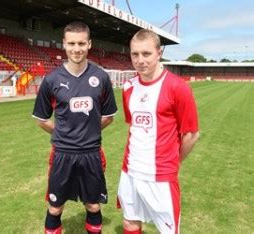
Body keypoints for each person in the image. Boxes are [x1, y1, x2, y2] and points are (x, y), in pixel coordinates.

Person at [32, 21, 117, 234]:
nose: (76, 48)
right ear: (64, 44)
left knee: (93, 205)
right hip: (62, 154)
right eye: (71, 43)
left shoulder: (101, 77)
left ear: (89, 44)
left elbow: (108, 117)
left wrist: (88, 133)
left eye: (81, 43)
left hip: (91, 154)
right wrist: (63, 134)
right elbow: (41, 119)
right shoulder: (51, 80)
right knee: (55, 207)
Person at [117, 29, 199, 234]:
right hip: (130, 171)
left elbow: (191, 135)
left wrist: (174, 161)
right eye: (135, 54)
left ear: (159, 53)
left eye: (146, 54)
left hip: (161, 176)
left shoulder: (178, 87)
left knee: (169, 231)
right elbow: (134, 126)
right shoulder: (128, 86)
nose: (140, 60)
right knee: (130, 223)